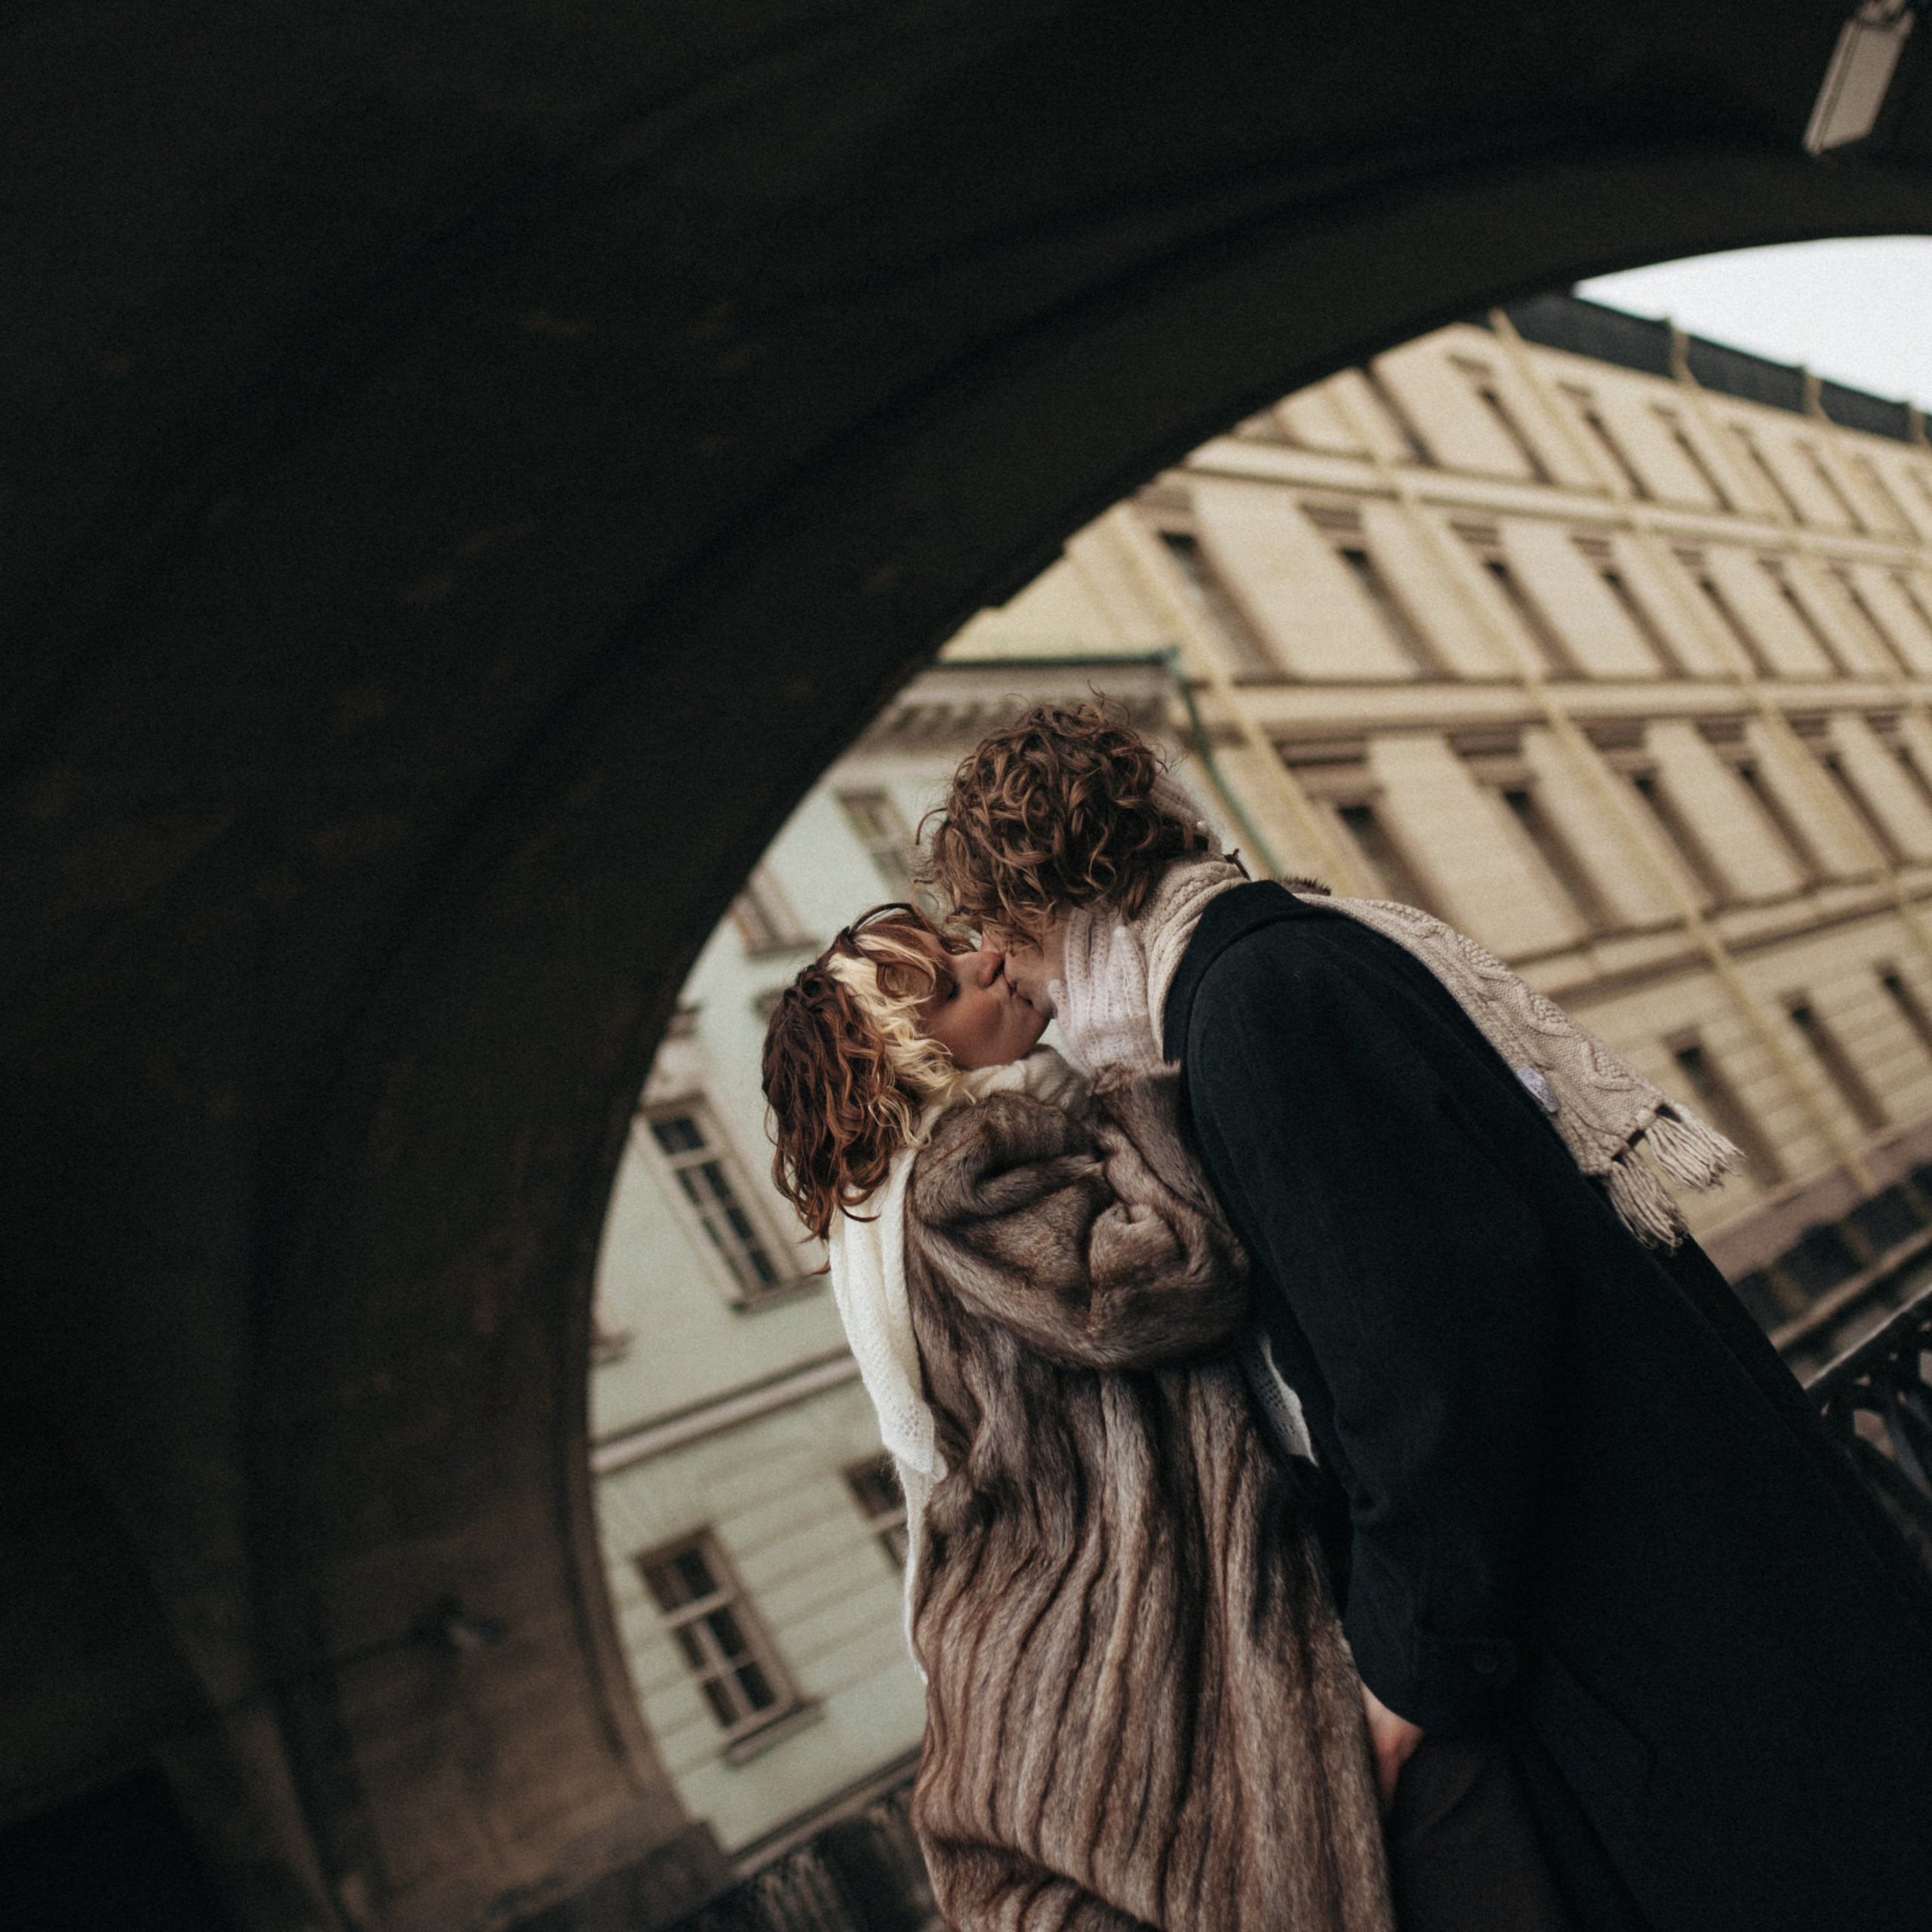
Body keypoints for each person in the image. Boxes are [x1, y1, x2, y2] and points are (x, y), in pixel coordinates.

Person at [917, 701, 1932, 1932]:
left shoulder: (1248, 1009)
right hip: (1707, 1584)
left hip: (1650, 1636)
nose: (1007, 973)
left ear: (1047, 899)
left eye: (996, 934)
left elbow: (1426, 1374)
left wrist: (1406, 1678)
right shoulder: (1292, 950)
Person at [761, 905, 1395, 1932]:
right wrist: (1127, 1074)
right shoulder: (967, 1175)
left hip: (1070, 1641)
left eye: (963, 947)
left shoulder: (927, 1194)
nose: (990, 959)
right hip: (1125, 1641)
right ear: (913, 1055)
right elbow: (1173, 1277)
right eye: (951, 983)